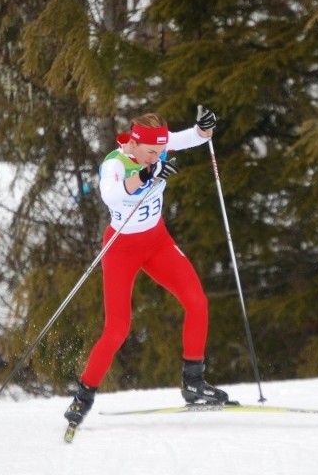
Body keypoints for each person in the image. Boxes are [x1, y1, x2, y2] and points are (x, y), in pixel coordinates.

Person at [64, 106, 229, 427]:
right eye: (151, 152)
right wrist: (145, 175)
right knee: (117, 328)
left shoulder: (158, 147)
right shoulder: (115, 163)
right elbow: (111, 195)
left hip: (157, 242)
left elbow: (192, 137)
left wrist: (205, 129)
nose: (157, 156)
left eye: (160, 151)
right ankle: (82, 396)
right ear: (134, 144)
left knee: (197, 302)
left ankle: (194, 384)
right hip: (121, 249)